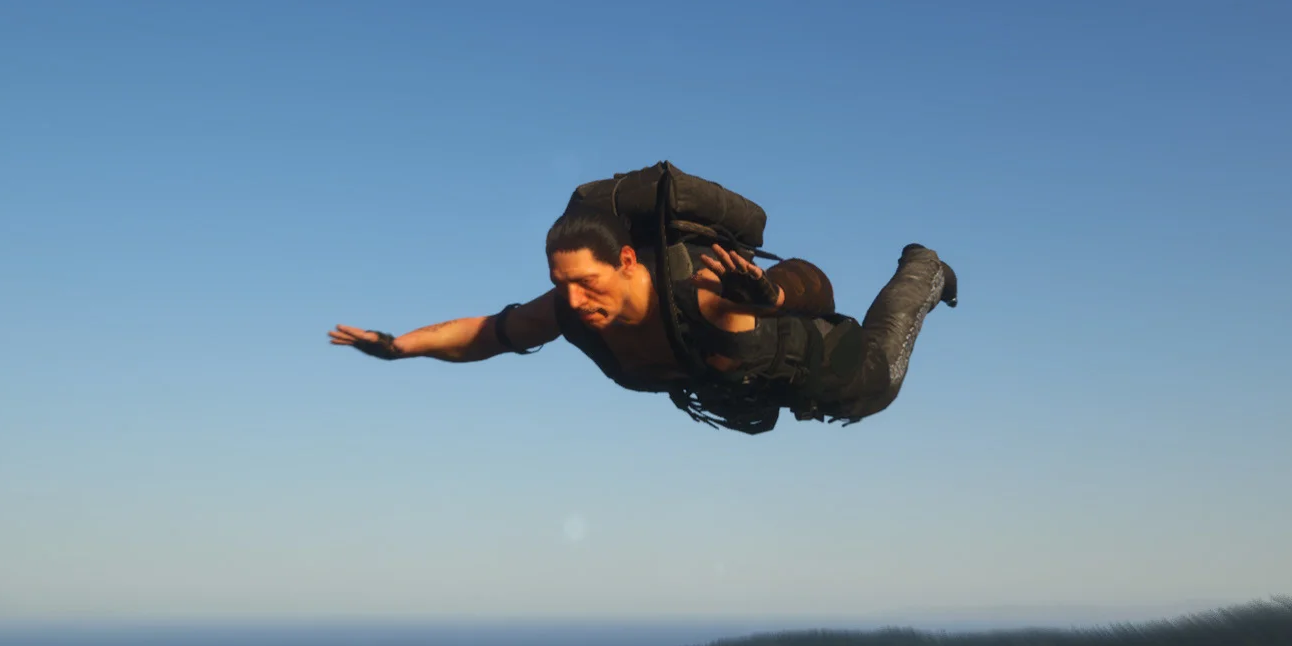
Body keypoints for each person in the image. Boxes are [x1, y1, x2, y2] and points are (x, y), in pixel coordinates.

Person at [327, 207, 957, 433]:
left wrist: (771, 294)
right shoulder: (571, 310)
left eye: (588, 281)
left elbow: (815, 284)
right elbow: (489, 334)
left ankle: (924, 266)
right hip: (763, 395)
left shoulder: (698, 280)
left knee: (882, 372)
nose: (575, 299)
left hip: (830, 367)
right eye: (562, 284)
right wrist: (399, 346)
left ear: (627, 261)